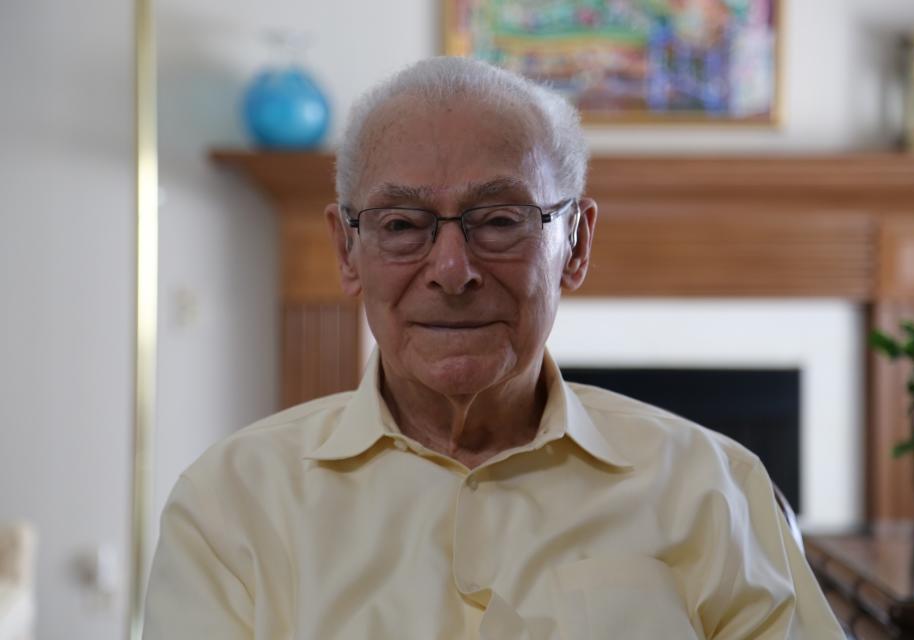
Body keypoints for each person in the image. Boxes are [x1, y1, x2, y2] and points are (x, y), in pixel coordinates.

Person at [143, 56, 845, 639]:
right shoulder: (231, 506)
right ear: (346, 249)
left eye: (502, 219)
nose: (452, 270)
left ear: (578, 243)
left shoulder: (715, 489)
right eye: (401, 223)